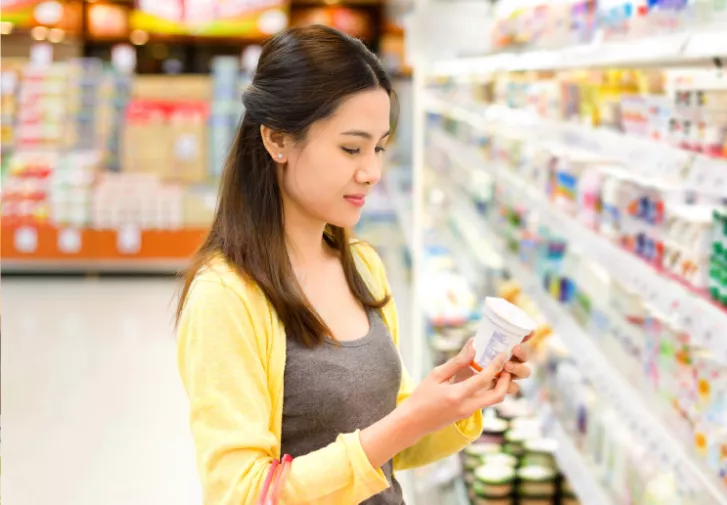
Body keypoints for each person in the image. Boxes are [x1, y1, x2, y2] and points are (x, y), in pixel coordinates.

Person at [175, 25, 531, 505]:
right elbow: (241, 493)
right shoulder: (226, 296)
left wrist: (463, 390)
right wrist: (408, 420)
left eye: (379, 147)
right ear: (277, 139)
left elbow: (385, 445)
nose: (372, 171)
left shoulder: (361, 265)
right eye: (351, 148)